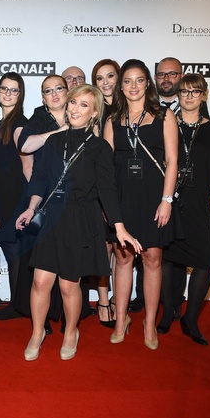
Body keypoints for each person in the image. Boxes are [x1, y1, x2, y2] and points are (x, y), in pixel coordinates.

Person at [16, 84, 141, 361]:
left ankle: (71, 332)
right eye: (72, 102)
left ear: (94, 113)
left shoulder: (99, 148)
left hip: (79, 219)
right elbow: (40, 178)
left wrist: (119, 226)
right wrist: (31, 208)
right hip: (51, 218)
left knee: (68, 286)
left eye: (84, 105)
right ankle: (37, 333)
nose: (74, 109)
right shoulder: (53, 141)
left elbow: (107, 189)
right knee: (40, 282)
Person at [103, 59, 180, 351]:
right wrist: (108, 206)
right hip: (122, 198)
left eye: (139, 80)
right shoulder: (113, 119)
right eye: (127, 81)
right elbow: (105, 167)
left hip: (154, 198)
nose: (133, 86)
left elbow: (172, 161)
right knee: (122, 259)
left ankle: (149, 322)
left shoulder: (163, 115)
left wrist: (166, 200)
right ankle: (121, 319)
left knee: (152, 259)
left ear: (148, 83)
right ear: (120, 86)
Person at [160, 74, 210, 345]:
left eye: (195, 92)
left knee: (205, 263)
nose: (189, 97)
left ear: (203, 95)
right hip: (170, 199)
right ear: (178, 95)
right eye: (184, 92)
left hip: (197, 203)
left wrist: (207, 201)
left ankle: (191, 318)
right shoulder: (167, 124)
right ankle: (166, 314)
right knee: (165, 259)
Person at [14, 74, 69, 334]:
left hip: (77, 198)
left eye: (59, 88)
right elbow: (25, 145)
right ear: (43, 97)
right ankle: (42, 319)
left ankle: (69, 316)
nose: (55, 94)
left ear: (68, 91)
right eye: (48, 91)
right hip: (45, 197)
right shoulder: (38, 117)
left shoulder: (81, 112)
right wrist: (57, 133)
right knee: (42, 264)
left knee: (70, 264)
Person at [0, 72, 29, 321]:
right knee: (11, 252)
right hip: (3, 198)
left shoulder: (19, 124)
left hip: (16, 198)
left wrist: (27, 204)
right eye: (4, 88)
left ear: (20, 94)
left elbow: (27, 167)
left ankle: (18, 305)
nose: (8, 93)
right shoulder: (2, 123)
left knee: (15, 253)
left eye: (14, 90)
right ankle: (18, 303)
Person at [91, 58, 122, 328]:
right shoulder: (94, 111)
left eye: (110, 76)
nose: (105, 82)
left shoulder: (130, 108)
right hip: (101, 185)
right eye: (99, 78)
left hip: (127, 185)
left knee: (122, 249)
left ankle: (118, 303)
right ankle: (103, 301)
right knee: (105, 247)